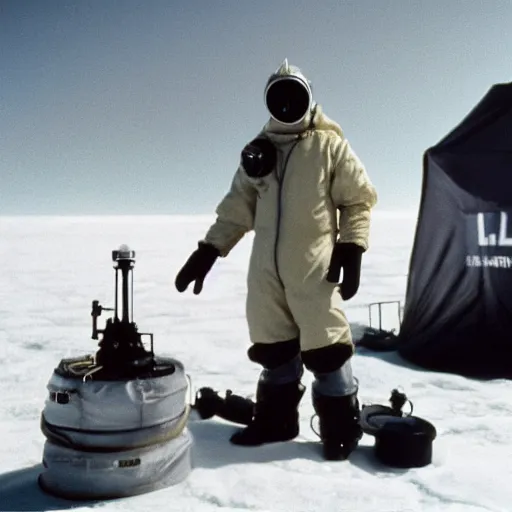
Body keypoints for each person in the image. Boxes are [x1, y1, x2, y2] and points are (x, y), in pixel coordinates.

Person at [175, 59, 377, 460]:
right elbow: (237, 209)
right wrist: (209, 249)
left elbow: (357, 201)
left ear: (308, 98)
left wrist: (352, 246)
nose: (287, 105)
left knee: (327, 348)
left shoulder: (329, 146)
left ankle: (340, 429)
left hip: (315, 267)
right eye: (278, 97)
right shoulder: (258, 153)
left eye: (294, 96)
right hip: (266, 272)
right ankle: (277, 422)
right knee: (274, 346)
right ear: (269, 103)